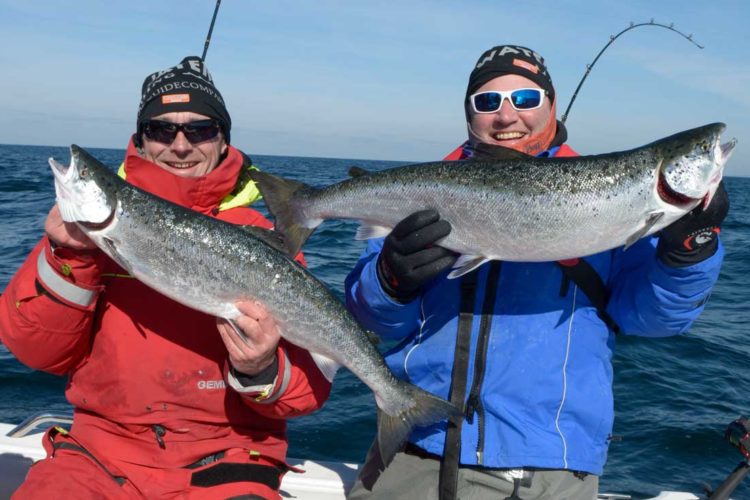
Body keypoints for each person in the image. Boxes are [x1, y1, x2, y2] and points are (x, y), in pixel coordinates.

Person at [345, 45, 728, 500]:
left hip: (549, 469)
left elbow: (653, 320)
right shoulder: (424, 192)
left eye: (525, 99)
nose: (506, 117)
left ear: (552, 104)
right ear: (469, 115)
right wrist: (390, 280)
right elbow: (374, 321)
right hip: (414, 449)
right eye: (488, 102)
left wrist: (689, 249)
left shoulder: (613, 196)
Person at [0, 56, 332, 499]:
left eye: (200, 129)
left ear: (222, 139)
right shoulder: (85, 233)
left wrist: (261, 370)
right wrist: (70, 255)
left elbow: (312, 389)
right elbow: (36, 352)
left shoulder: (263, 236)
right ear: (140, 139)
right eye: (161, 129)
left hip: (229, 459)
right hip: (100, 456)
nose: (180, 145)